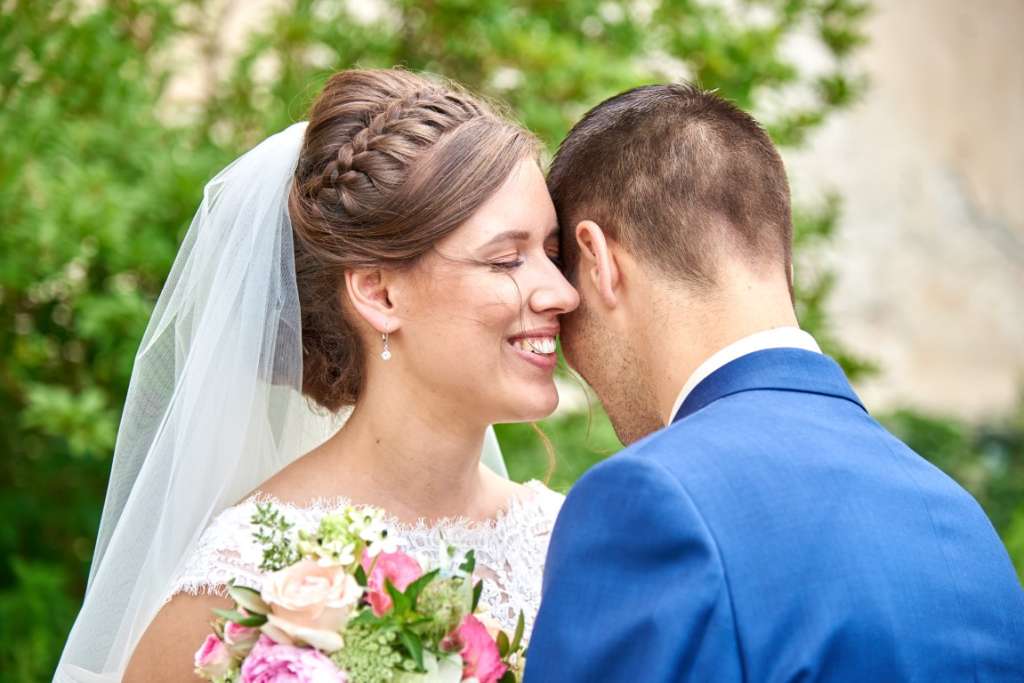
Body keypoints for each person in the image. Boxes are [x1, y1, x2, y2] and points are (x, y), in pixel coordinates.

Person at [55, 68, 579, 682]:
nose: (561, 292)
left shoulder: (565, 542)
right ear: (379, 293)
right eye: (506, 259)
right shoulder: (244, 583)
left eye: (551, 252)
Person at [525, 83, 1024, 681]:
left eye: (564, 285)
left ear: (599, 261)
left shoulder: (650, 500)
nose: (564, 339)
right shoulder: (960, 521)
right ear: (777, 258)